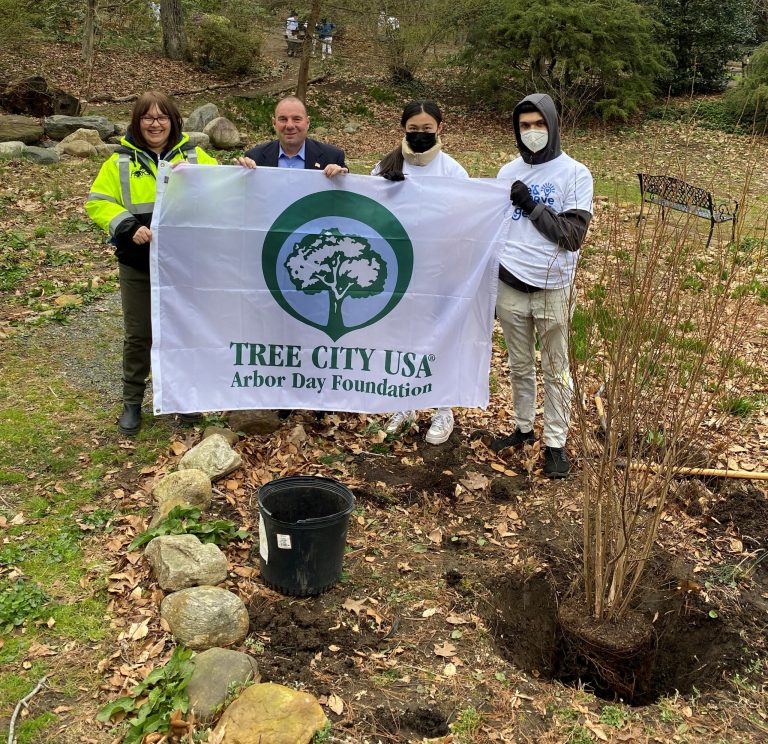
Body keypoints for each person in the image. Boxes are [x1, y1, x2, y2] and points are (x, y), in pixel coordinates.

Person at [85, 91, 217, 437]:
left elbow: (226, 191)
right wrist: (127, 226)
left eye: (162, 117)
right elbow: (98, 202)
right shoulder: (119, 163)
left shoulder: (195, 157)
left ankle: (185, 400)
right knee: (140, 333)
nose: (155, 124)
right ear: (137, 122)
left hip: (186, 265)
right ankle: (132, 401)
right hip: (138, 266)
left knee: (183, 331)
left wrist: (231, 172)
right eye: (147, 118)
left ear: (174, 122)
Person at [493, 93, 593, 478]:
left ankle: (555, 443)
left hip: (553, 287)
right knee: (519, 365)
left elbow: (571, 236)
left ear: (552, 126)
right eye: (524, 126)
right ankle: (522, 429)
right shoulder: (506, 172)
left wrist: (532, 205)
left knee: (556, 367)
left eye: (539, 124)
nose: (532, 132)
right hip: (511, 285)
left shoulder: (574, 174)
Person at [373, 99, 469, 445]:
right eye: (413, 130)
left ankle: (443, 409)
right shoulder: (384, 166)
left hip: (439, 271)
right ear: (403, 129)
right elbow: (370, 213)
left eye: (427, 129)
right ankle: (406, 402)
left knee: (438, 338)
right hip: (397, 270)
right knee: (401, 338)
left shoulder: (453, 172)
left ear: (440, 129)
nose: (420, 135)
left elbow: (467, 221)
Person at [235, 96, 347, 176]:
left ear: (307, 122)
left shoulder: (332, 157)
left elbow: (345, 199)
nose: (289, 125)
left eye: (297, 119)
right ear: (274, 123)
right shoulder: (255, 158)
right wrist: (239, 175)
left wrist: (341, 178)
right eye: (283, 119)